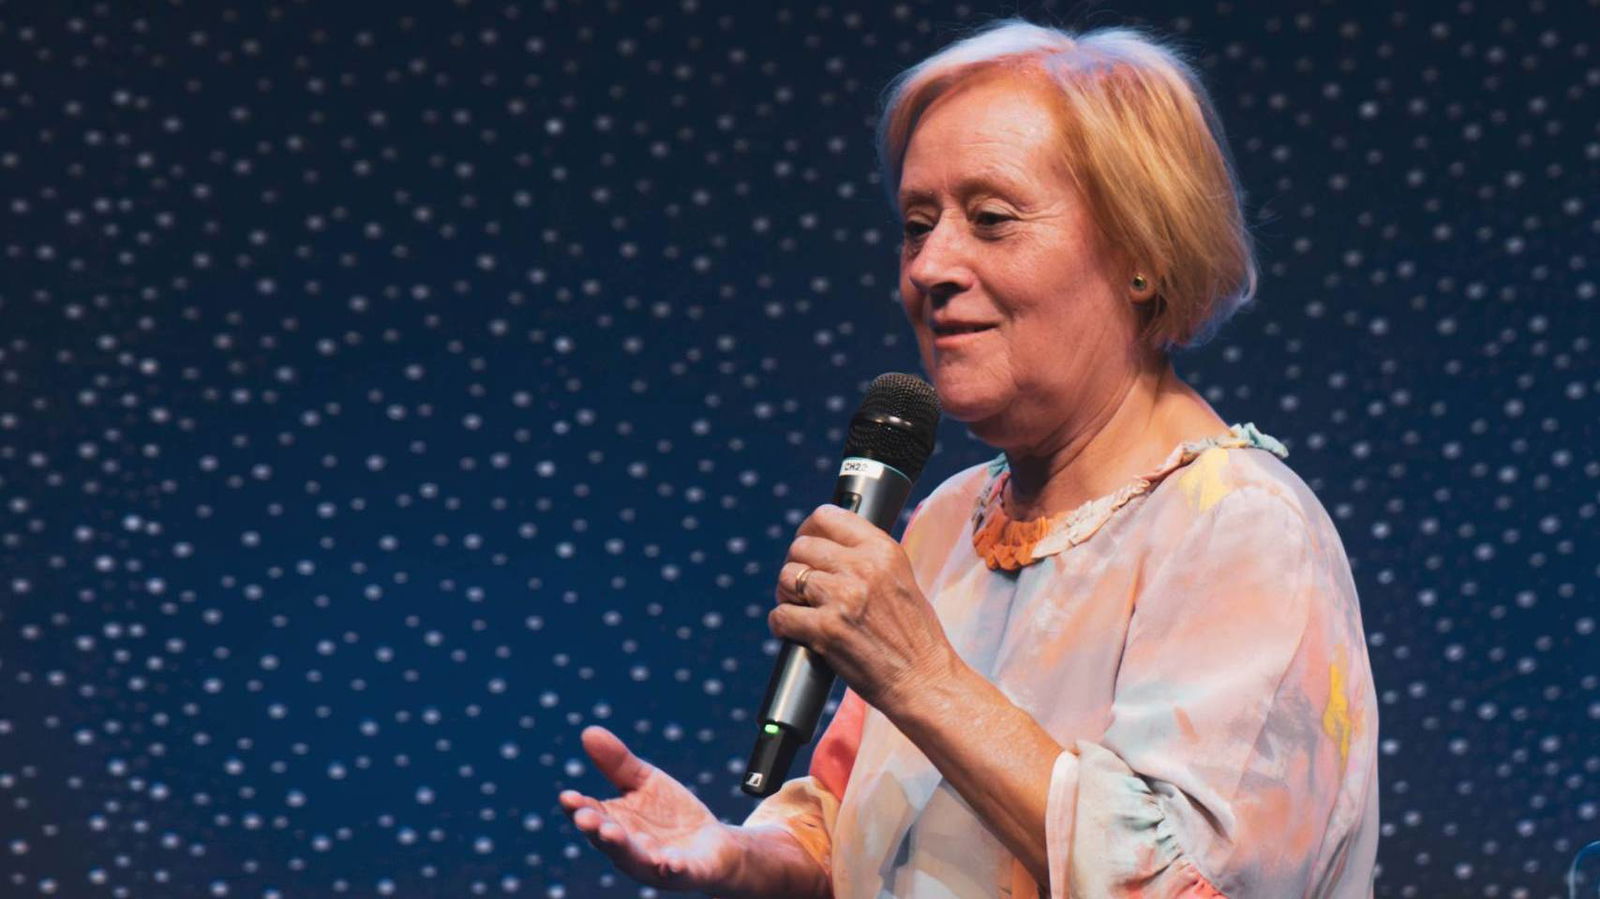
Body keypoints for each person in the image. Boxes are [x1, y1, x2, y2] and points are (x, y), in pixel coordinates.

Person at [558, 17, 1379, 898]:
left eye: (991, 220)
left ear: (1142, 253)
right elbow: (861, 820)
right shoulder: (952, 517)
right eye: (918, 226)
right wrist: (748, 856)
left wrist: (921, 675)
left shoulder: (1239, 526)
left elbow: (1189, 880)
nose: (930, 267)